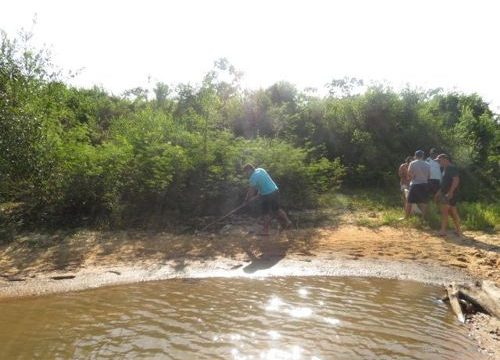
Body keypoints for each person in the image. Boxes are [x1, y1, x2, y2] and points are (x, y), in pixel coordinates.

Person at [243, 164, 292, 235]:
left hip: (267, 194)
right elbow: (262, 184)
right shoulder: (261, 170)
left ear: (249, 169)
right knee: (277, 210)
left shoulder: (253, 177)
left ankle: (265, 231)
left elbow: (251, 191)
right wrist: (256, 196)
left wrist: (246, 200)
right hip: (274, 191)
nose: (246, 174)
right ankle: (287, 222)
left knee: (265, 213)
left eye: (246, 172)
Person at [435, 154, 462, 237]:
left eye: (439, 161)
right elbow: (444, 183)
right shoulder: (445, 169)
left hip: (449, 194)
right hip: (446, 193)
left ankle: (443, 231)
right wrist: (438, 192)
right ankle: (458, 230)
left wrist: (450, 192)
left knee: (445, 211)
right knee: (452, 211)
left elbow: (456, 180)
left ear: (445, 159)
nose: (438, 162)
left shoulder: (451, 168)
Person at [405, 150, 430, 218]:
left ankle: (406, 217)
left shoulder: (412, 163)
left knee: (409, 201)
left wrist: (413, 176)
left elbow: (409, 173)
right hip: (424, 184)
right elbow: (429, 176)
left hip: (415, 184)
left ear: (415, 156)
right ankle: (423, 217)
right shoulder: (427, 164)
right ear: (423, 156)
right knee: (423, 202)